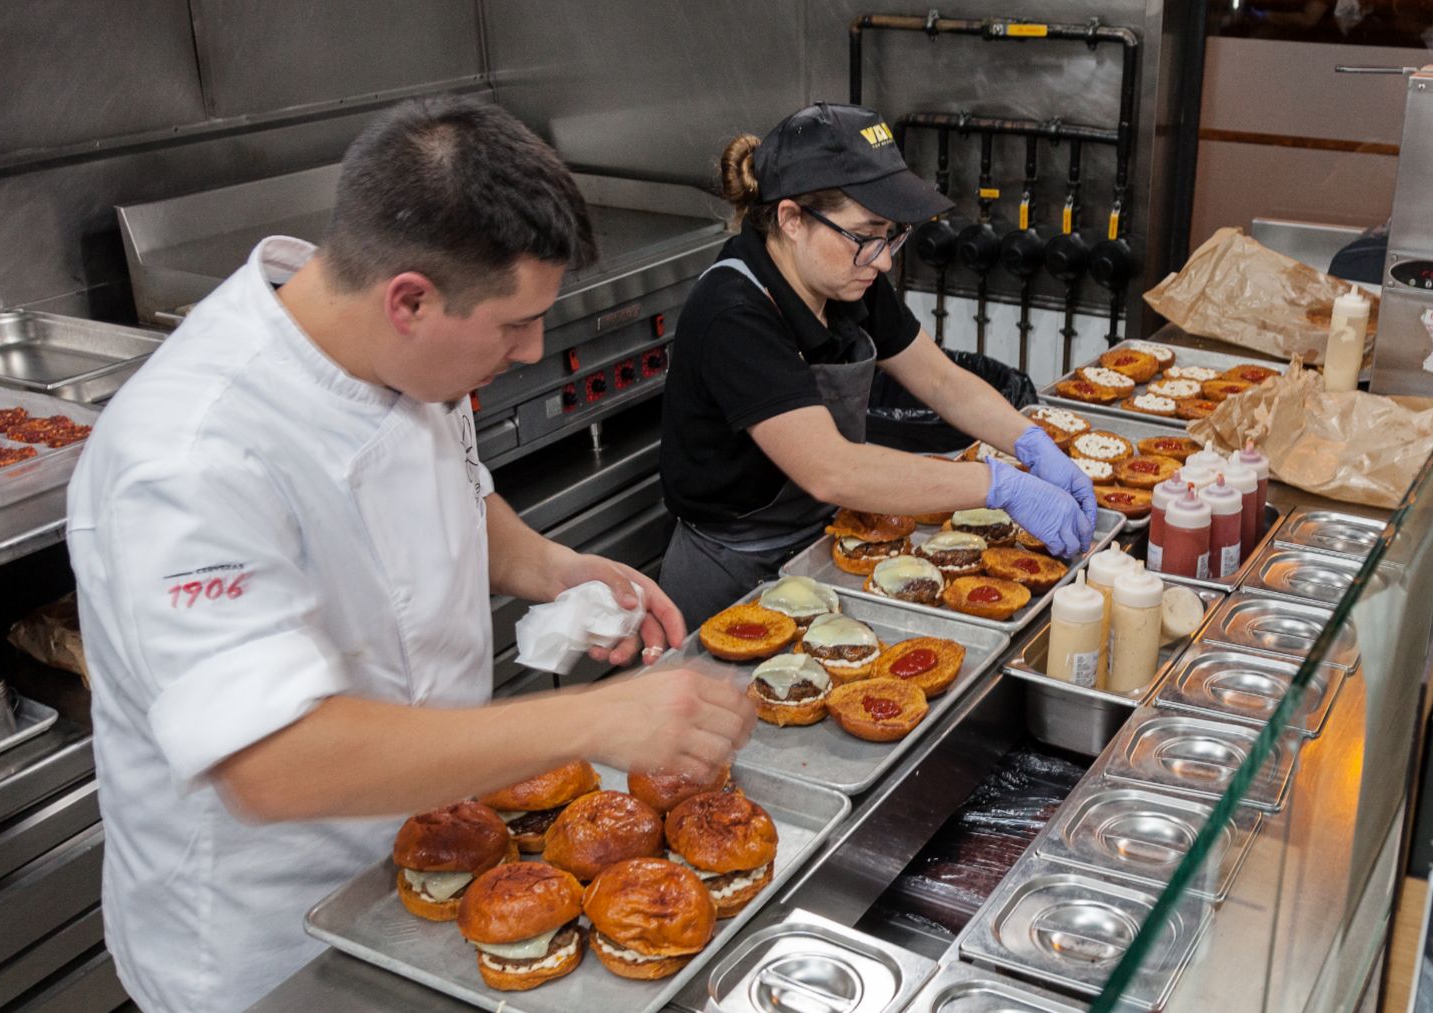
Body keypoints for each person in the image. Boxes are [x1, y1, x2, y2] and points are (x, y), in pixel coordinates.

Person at [67, 97, 755, 1012]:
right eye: (514, 325)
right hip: (276, 930)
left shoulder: (400, 357)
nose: (533, 349)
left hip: (441, 850)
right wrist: (596, 721)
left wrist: (550, 567)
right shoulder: (192, 455)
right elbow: (273, 762)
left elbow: (458, 496)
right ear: (409, 299)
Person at [658, 103, 1099, 628]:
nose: (885, 260)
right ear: (792, 219)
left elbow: (939, 378)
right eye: (866, 235)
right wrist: (999, 485)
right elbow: (831, 470)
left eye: (891, 235)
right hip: (729, 576)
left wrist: (1031, 441)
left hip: (824, 544)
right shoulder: (735, 313)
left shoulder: (846, 277)